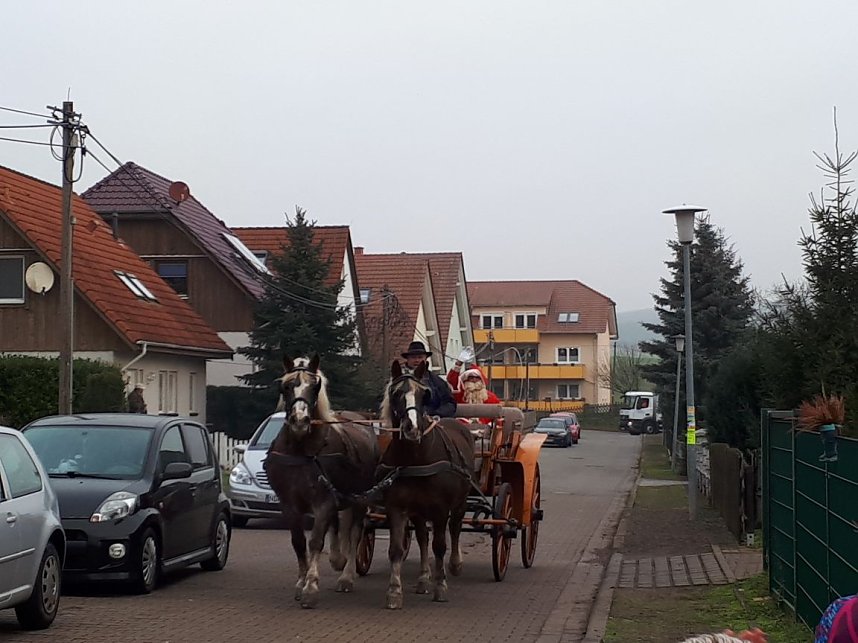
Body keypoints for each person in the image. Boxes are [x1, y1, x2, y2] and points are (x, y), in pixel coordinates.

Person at [400, 341, 456, 418]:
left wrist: (434, 414)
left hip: (432, 422)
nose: (416, 360)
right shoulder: (399, 381)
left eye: (420, 357)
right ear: (407, 359)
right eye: (413, 357)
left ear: (425, 359)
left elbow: (450, 404)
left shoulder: (436, 381)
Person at [447, 349, 501, 425]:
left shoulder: (491, 397)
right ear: (465, 381)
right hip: (462, 428)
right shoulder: (461, 395)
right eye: (471, 378)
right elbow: (452, 381)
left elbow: (498, 417)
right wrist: (458, 364)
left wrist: (489, 425)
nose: (474, 380)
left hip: (485, 431)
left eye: (477, 378)